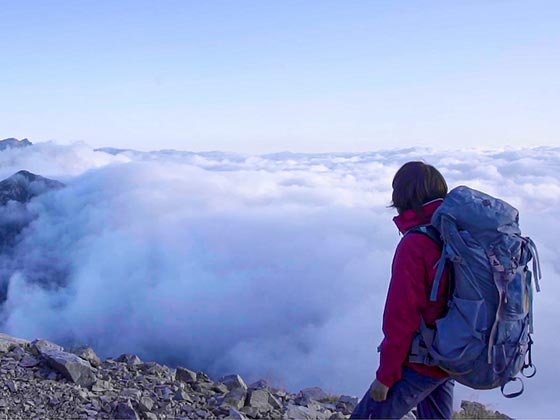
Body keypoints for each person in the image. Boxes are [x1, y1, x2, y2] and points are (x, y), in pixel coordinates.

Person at [350, 161, 454, 419]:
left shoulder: (417, 243)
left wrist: (385, 377)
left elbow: (402, 317)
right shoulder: (455, 232)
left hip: (422, 361)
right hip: (453, 353)